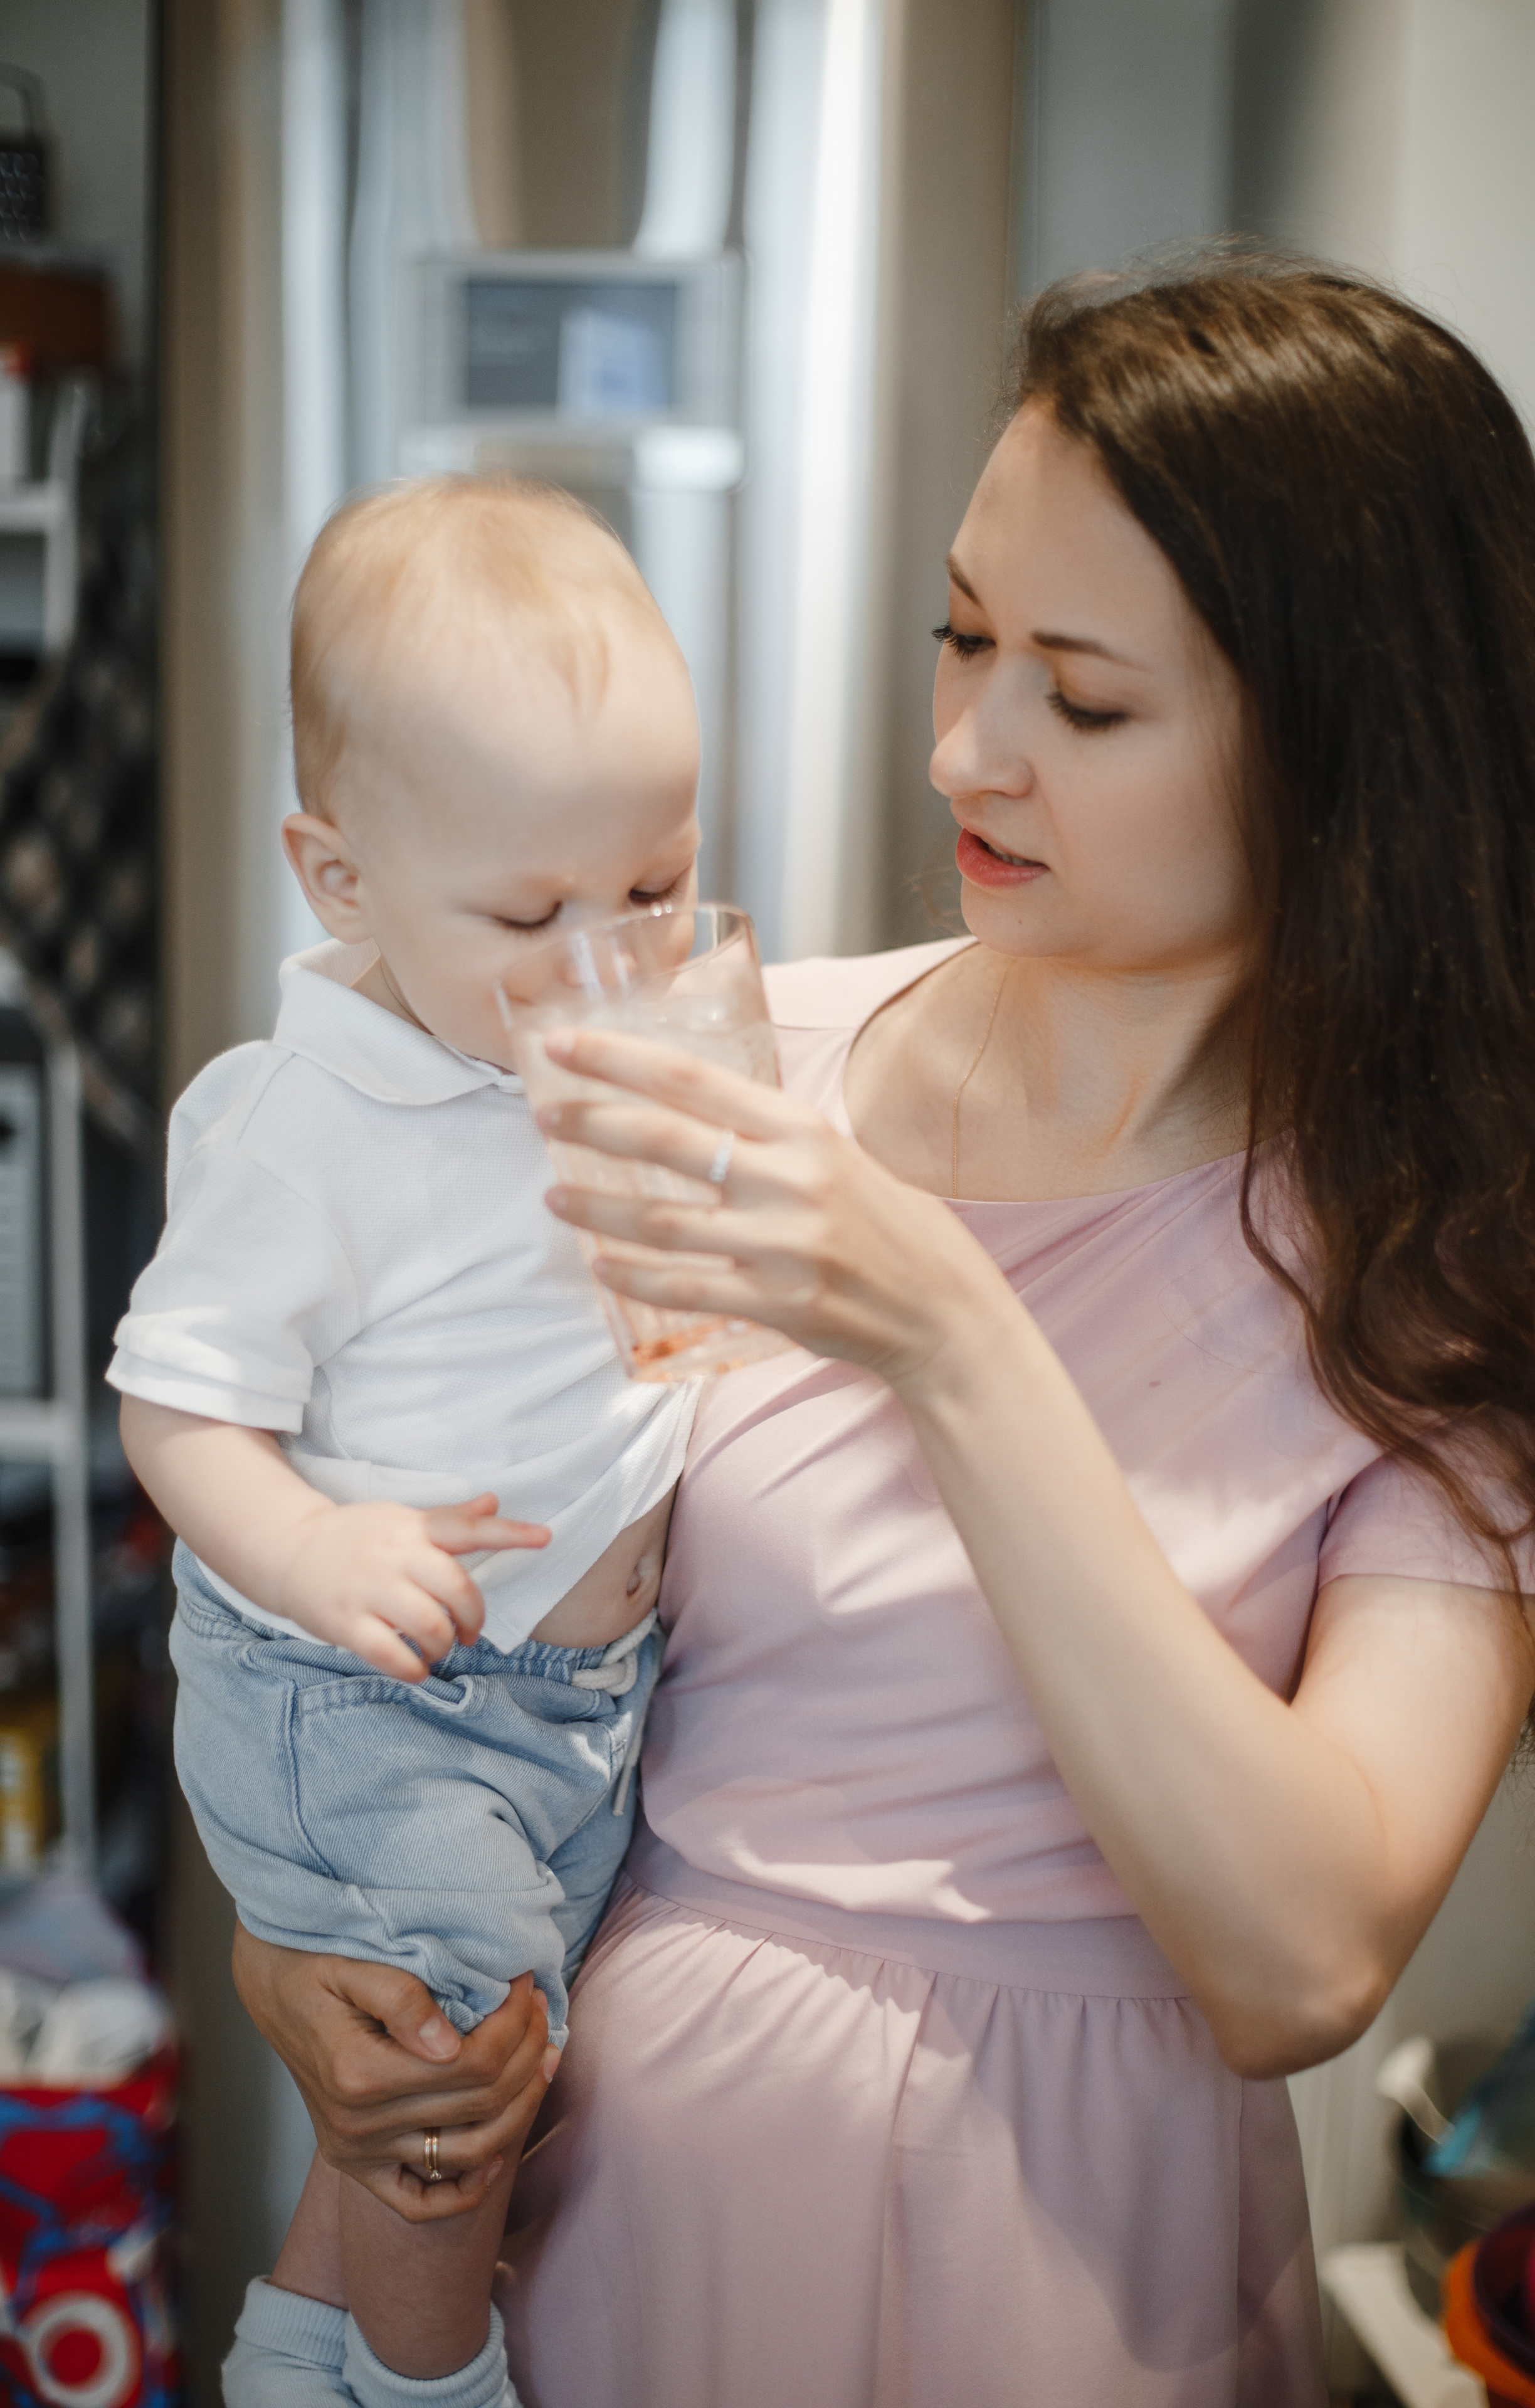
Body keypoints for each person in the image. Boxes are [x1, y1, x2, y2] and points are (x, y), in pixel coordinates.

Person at [234, 257, 1535, 2407]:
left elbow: (1300, 1958)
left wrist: (947, 1330)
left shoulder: (1455, 1269)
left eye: (1086, 692)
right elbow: (423, 1612)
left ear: (1348, 754)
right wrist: (300, 1945)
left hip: (1075, 2280)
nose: (966, 744)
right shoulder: (713, 1054)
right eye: (965, 635)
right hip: (609, 2231)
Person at [113, 479, 708, 2407]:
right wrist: (313, 1550)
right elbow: (178, 1403)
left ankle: (300, 2359)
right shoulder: (311, 1124)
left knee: (470, 2073)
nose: (605, 953)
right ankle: (443, 2391)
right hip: (364, 1685)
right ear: (340, 877)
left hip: (560, 1693)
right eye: (531, 913)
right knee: (460, 2070)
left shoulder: (614, 1044)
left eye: (656, 884)